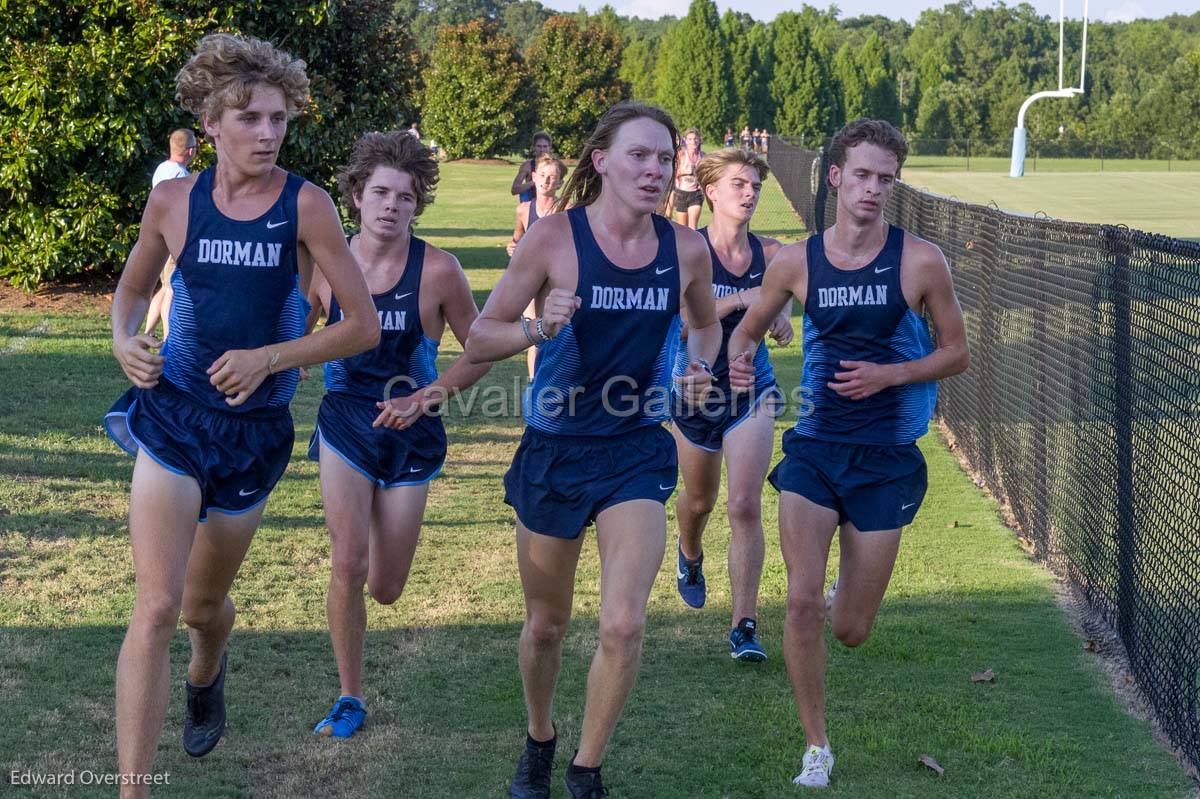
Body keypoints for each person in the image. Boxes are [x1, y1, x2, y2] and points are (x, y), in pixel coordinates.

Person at [103, 33, 379, 797]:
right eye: (251, 118)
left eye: (279, 119)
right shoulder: (174, 201)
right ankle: (133, 787)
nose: (267, 133)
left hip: (254, 434)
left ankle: (209, 661)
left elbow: (361, 324)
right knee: (155, 602)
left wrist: (270, 358)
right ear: (212, 122)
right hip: (174, 417)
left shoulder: (307, 205)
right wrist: (125, 341)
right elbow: (130, 292)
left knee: (199, 605)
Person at [465, 101, 721, 799]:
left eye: (666, 159)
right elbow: (479, 337)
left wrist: (696, 368)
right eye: (640, 155)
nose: (657, 170)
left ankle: (586, 766)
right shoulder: (553, 240)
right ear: (601, 160)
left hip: (636, 449)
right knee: (545, 625)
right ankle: (541, 738)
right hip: (556, 449)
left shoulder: (686, 249)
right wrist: (534, 329)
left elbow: (704, 326)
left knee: (624, 620)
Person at [726, 118, 969, 789]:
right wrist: (740, 362)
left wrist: (891, 376)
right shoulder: (797, 261)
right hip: (816, 449)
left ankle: (847, 597)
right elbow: (746, 330)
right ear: (834, 176)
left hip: (886, 457)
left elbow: (957, 351)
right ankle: (816, 746)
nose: (872, 188)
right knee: (800, 601)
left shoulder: (920, 261)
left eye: (885, 178)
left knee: (852, 628)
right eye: (861, 174)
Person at [307, 131, 490, 738]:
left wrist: (426, 397)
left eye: (405, 196)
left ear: (418, 204)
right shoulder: (328, 261)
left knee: (385, 587)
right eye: (380, 192)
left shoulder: (438, 270)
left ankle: (366, 635)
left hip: (413, 432)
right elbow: (296, 324)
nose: (391, 205)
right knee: (347, 562)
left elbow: (481, 351)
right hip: (344, 424)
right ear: (356, 195)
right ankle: (348, 695)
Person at [669, 147, 792, 663]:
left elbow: (780, 310)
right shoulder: (686, 249)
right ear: (711, 191)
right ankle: (689, 553)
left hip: (750, 389)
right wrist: (745, 301)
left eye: (755, 187)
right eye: (738, 185)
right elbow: (680, 319)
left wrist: (779, 318)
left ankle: (744, 625)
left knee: (744, 504)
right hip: (695, 389)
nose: (749, 194)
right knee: (699, 501)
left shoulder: (773, 254)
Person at [507, 154, 569, 380]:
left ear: (560, 182)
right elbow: (517, 238)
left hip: (556, 278)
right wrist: (512, 247)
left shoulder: (566, 208)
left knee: (556, 331)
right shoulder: (524, 209)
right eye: (542, 176)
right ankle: (535, 381)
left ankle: (555, 377)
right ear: (533, 177)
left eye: (552, 178)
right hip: (530, 278)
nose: (546, 182)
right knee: (534, 330)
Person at [144, 129, 198, 337]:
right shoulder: (181, 176)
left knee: (164, 287)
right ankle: (169, 337)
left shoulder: (161, 169)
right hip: (173, 241)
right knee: (172, 290)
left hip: (160, 237)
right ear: (191, 151)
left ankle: (148, 332)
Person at [672, 128, 705, 230]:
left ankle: (694, 245)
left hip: (696, 193)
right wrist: (686, 172)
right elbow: (672, 173)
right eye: (690, 139)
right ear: (685, 140)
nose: (693, 141)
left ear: (699, 140)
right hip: (681, 193)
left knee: (692, 227)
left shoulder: (703, 156)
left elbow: (707, 174)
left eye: (695, 139)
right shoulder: (681, 154)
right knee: (682, 228)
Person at [512, 131, 554, 204]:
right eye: (539, 146)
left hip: (547, 206)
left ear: (549, 148)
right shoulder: (527, 166)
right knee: (525, 194)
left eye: (545, 146)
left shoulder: (554, 166)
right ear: (533, 147)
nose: (542, 150)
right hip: (529, 206)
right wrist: (535, 181)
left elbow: (558, 185)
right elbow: (514, 189)